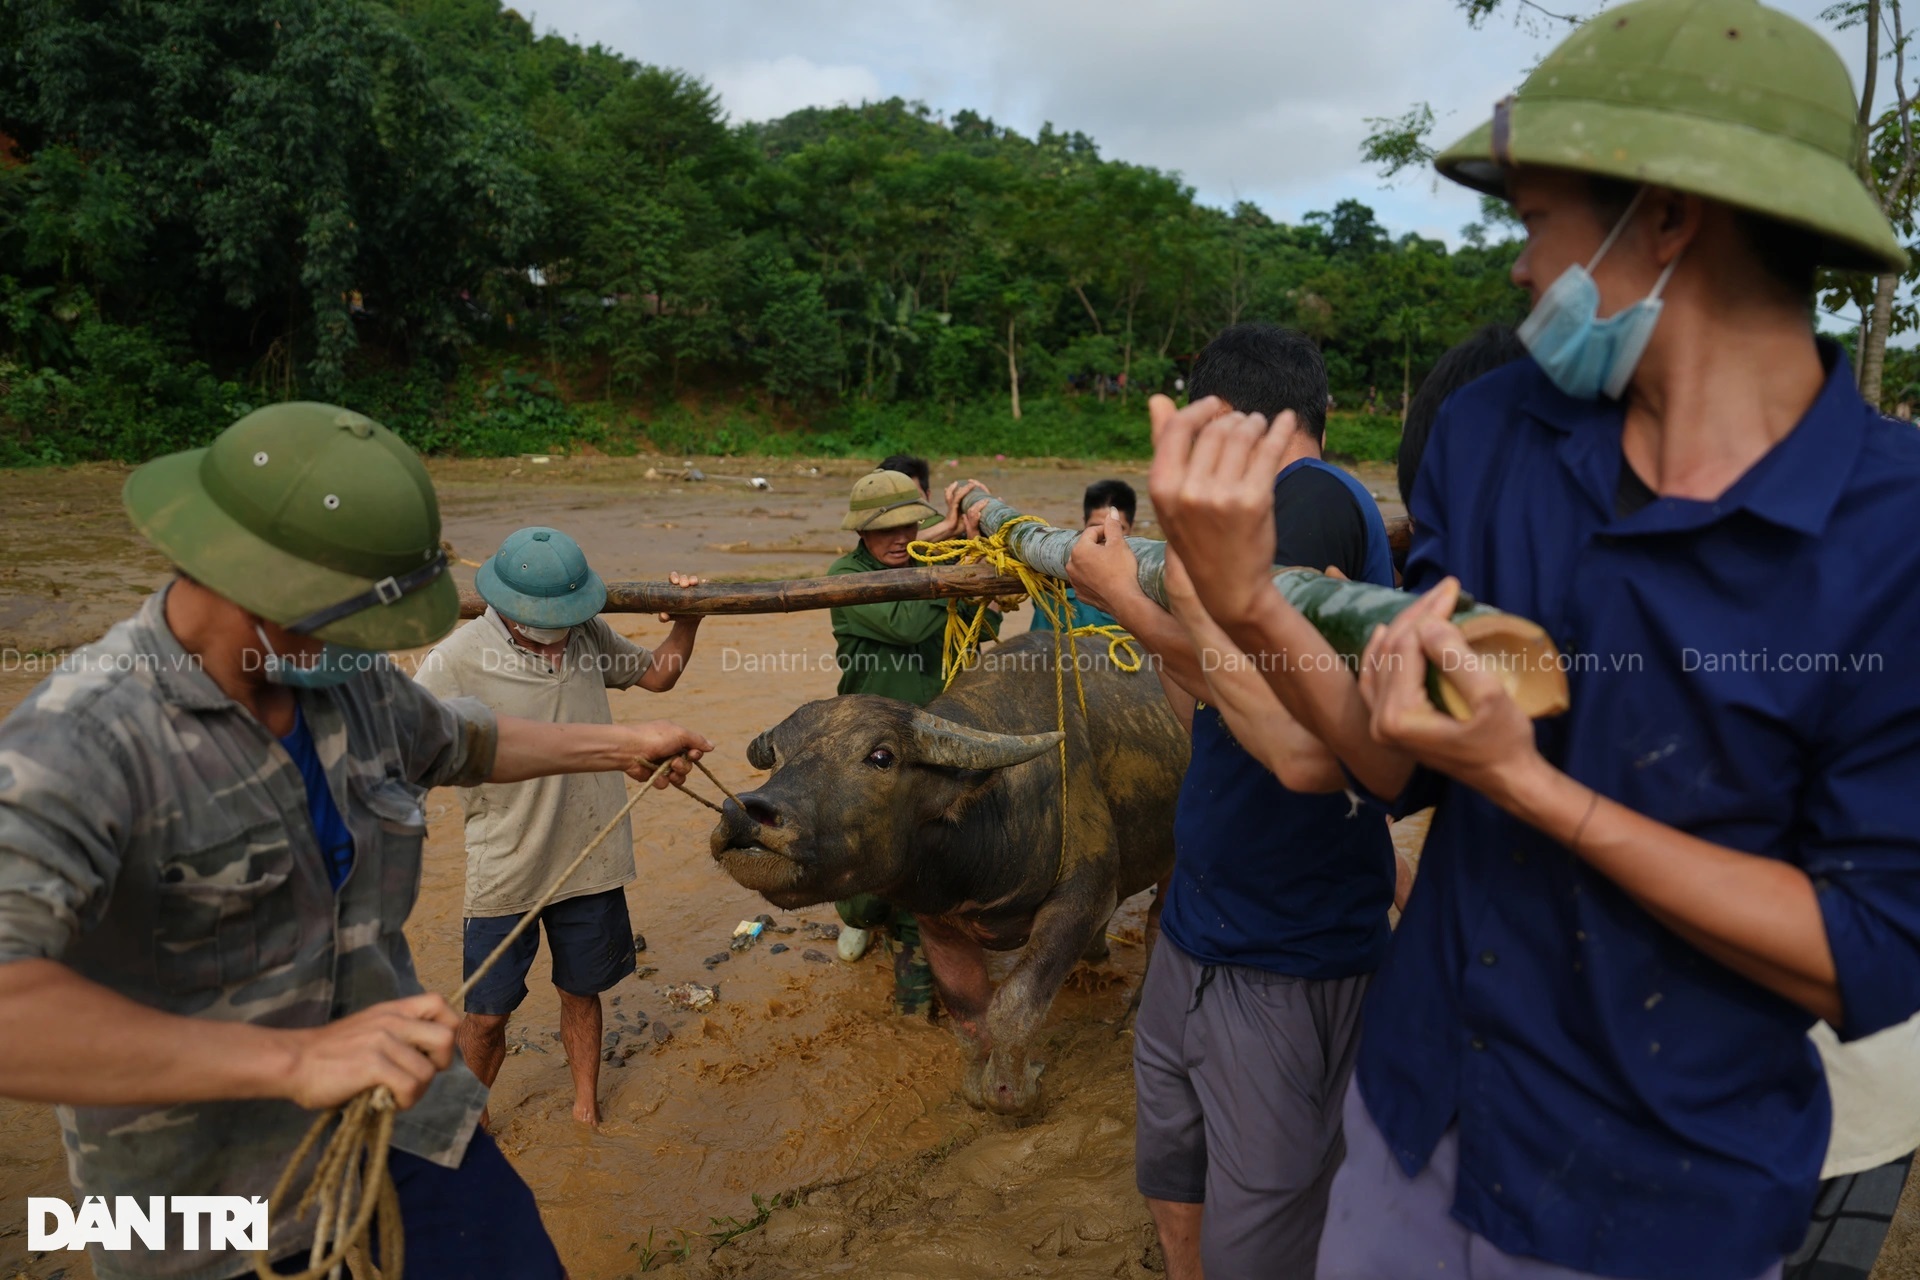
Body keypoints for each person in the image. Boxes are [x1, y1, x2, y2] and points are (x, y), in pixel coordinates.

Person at [1149, 2, 1920, 1277]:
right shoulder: (1501, 431)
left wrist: (1538, 793)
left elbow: (1867, 954)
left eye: (1536, 223)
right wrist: (1251, 604)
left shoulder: (1892, 538)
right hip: (1412, 1123)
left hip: (1652, 1195)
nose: (1518, 270)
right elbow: (1394, 767)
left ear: (1667, 216)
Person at [0, 402, 712, 1280]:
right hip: (203, 1206)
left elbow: (464, 740)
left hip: (401, 1127)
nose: (369, 645)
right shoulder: (82, 744)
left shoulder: (345, 684)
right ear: (249, 579)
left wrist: (624, 742)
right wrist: (292, 1058)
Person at [1066, 323, 1397, 1280]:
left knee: (1266, 1234)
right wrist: (1169, 598)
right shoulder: (1258, 517)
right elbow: (1202, 701)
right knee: (1174, 1164)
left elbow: (1290, 727)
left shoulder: (1310, 502)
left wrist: (1127, 602)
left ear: (1236, 425)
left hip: (1286, 949)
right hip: (1205, 929)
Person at [415, 527, 703, 1129]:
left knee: (582, 989)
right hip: (506, 862)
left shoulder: (588, 634)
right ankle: (470, 1122)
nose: (557, 634)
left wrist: (688, 621)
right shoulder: (457, 657)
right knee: (487, 1012)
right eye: (545, 623)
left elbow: (657, 677)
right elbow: (408, 748)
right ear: (506, 608)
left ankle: (585, 1108)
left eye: (567, 620)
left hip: (591, 853)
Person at [827, 469, 998, 1011]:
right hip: (869, 750)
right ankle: (864, 916)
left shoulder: (930, 563)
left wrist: (982, 582)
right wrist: (963, 565)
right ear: (861, 533)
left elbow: (983, 626)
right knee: (863, 874)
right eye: (885, 530)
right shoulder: (845, 577)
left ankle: (917, 991)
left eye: (908, 526)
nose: (899, 538)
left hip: (930, 739)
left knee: (925, 865)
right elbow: (906, 625)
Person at [1030, 479, 1137, 633]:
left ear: (1131, 528)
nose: (1105, 536)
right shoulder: (1051, 573)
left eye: (1117, 529)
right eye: (1096, 527)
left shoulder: (1145, 588)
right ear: (1084, 525)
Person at [879, 452, 983, 542]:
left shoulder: (940, 525)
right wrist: (948, 526)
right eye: (895, 503)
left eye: (914, 500)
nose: (905, 510)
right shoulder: (875, 536)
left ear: (928, 496)